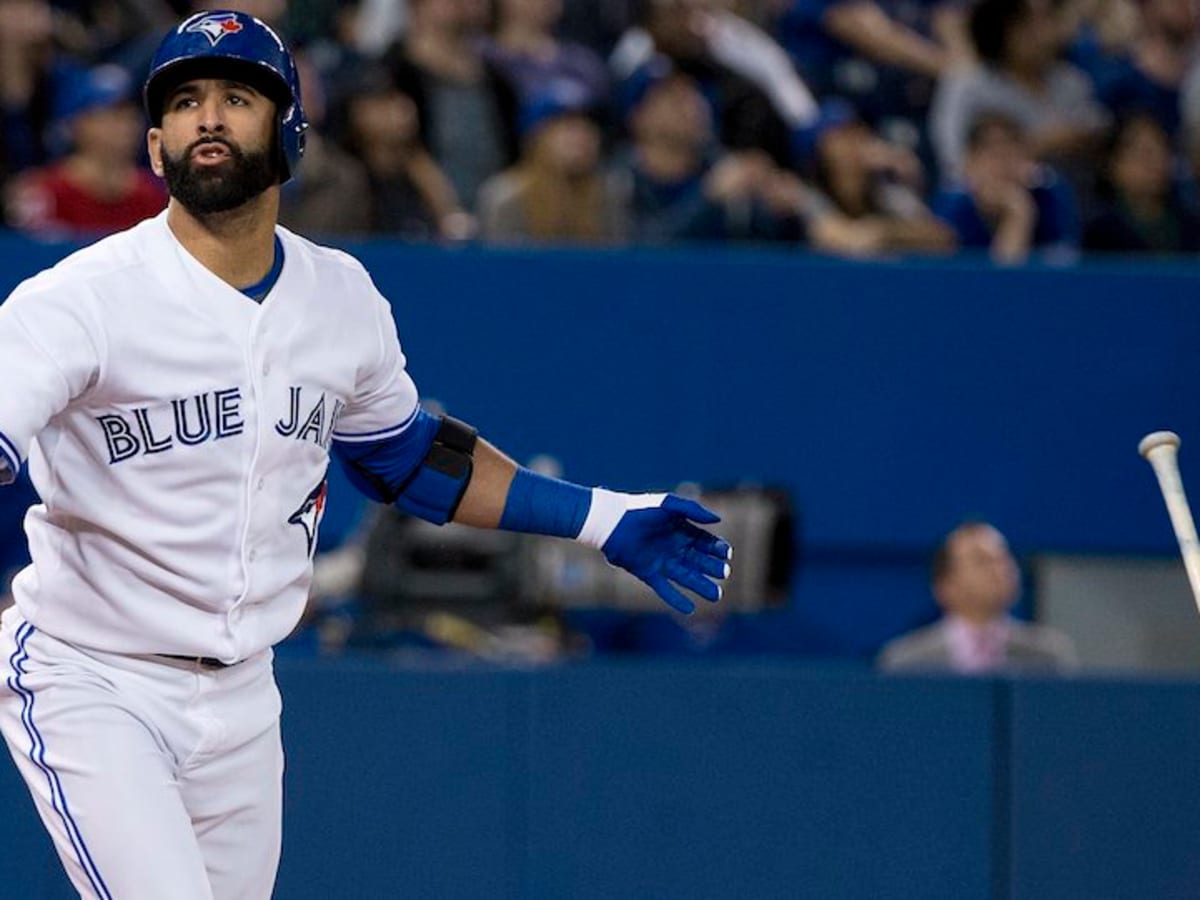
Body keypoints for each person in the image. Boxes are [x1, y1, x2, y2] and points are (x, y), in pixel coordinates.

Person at [0, 11, 733, 900]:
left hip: (242, 700)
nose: (208, 118)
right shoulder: (78, 301)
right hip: (93, 675)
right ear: (154, 146)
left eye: (237, 97)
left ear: (290, 132)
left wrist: (606, 517)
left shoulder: (338, 296)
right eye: (185, 102)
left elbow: (413, 462)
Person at [878, 521, 1078, 674]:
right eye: (982, 561)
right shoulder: (906, 662)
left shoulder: (1048, 656)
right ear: (945, 586)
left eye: (1004, 559)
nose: (1000, 570)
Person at [6, 63, 166, 239]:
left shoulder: (154, 194)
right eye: (109, 115)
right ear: (76, 124)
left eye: (130, 114)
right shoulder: (45, 194)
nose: (125, 125)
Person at [932, 111, 1080, 264]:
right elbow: (995, 282)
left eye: (1012, 153)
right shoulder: (953, 203)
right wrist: (1016, 212)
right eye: (993, 154)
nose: (1004, 165)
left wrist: (1021, 210)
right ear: (969, 163)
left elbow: (1060, 269)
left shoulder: (1049, 195)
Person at [1084, 113, 1200, 255]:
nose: (1156, 163)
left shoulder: (1192, 225)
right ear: (1112, 163)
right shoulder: (1098, 231)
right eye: (1144, 154)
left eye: (1162, 151)